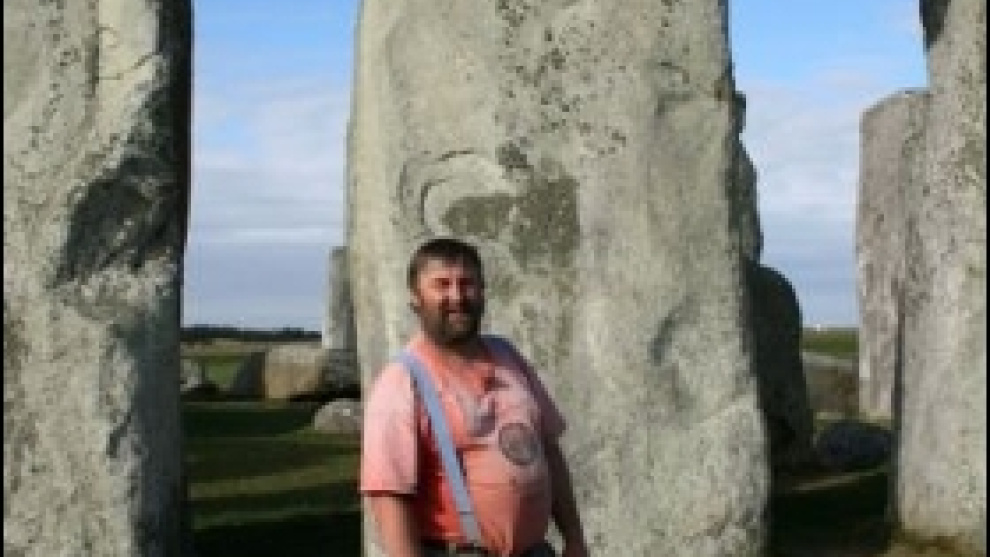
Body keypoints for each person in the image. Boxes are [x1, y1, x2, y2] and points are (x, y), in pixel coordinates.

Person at [361, 237, 589, 557]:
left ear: (482, 291)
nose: (457, 296)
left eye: (467, 283)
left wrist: (574, 539)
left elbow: (548, 450)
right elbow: (389, 496)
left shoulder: (507, 356)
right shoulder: (401, 382)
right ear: (415, 297)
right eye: (442, 285)